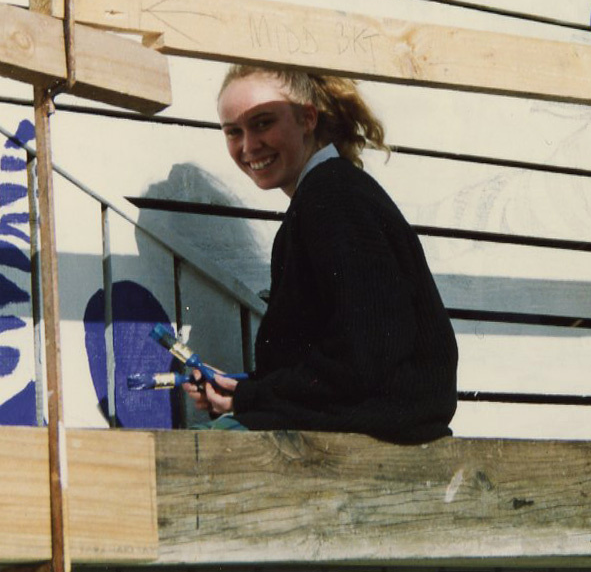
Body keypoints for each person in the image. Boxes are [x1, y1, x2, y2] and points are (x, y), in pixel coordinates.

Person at [183, 64, 459, 443]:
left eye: (263, 123)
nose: (248, 146)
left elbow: (364, 356)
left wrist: (251, 396)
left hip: (379, 438)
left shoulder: (331, 198)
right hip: (377, 426)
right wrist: (241, 391)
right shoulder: (329, 194)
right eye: (234, 132)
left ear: (307, 119)